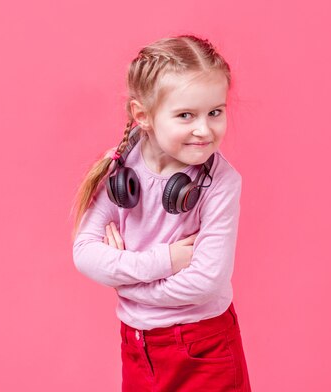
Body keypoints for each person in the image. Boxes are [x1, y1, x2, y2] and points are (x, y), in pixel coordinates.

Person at [70, 35, 252, 391]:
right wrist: (166, 260)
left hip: (204, 346)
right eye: (186, 115)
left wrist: (124, 281)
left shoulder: (222, 183)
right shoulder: (122, 169)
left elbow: (205, 282)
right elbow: (85, 254)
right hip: (138, 345)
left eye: (215, 112)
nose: (205, 129)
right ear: (143, 115)